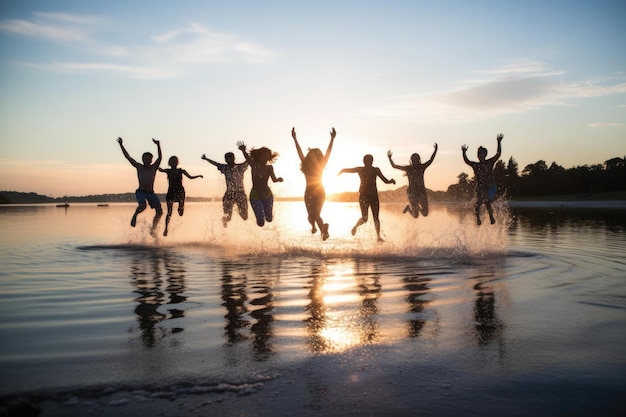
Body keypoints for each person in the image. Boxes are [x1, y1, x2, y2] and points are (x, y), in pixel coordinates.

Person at [291, 127, 336, 240]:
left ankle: (320, 230)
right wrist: (295, 139)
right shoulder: (315, 164)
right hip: (319, 191)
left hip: (312, 191)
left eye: (311, 153)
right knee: (314, 216)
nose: (309, 154)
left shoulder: (310, 164)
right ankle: (318, 229)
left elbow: (328, 152)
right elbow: (299, 151)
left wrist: (332, 139)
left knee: (313, 215)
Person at [338, 154, 396, 242]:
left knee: (375, 217)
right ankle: (356, 227)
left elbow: (385, 180)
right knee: (365, 218)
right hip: (364, 196)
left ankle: (378, 237)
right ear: (365, 161)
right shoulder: (361, 169)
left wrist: (390, 181)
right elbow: (348, 170)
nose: (367, 162)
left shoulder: (374, 170)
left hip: (372, 196)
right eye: (367, 161)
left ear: (371, 161)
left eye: (368, 161)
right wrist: (341, 171)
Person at [117, 137, 163, 237]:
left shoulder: (153, 167)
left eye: (148, 159)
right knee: (143, 206)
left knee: (160, 212)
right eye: (144, 159)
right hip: (141, 192)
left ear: (151, 160)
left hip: (151, 193)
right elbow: (128, 157)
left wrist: (158, 145)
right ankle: (135, 215)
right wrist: (121, 145)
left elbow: (160, 158)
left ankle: (153, 229)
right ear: (142, 159)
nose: (146, 160)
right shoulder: (139, 167)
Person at [236, 141, 283, 227]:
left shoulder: (269, 167)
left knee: (269, 219)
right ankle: (259, 216)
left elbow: (274, 179)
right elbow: (248, 158)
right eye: (264, 155)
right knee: (261, 223)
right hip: (255, 195)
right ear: (260, 156)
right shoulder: (254, 165)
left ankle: (267, 213)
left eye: (267, 155)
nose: (266, 157)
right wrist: (243, 150)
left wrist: (278, 179)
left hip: (267, 194)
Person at [462, 133, 504, 225]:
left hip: (491, 187)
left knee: (485, 199)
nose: (480, 155)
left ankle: (491, 216)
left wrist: (498, 142)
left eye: (482, 153)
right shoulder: (475, 165)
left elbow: (498, 154)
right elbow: (466, 161)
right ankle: (478, 218)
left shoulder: (490, 162)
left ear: (485, 154)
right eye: (479, 153)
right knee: (477, 204)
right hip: (481, 187)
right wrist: (464, 152)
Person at [387, 143, 438, 219]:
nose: (415, 161)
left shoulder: (422, 167)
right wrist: (389, 158)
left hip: (421, 191)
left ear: (419, 160)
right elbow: (394, 166)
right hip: (412, 192)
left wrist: (435, 150)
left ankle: (416, 207)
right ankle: (409, 208)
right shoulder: (408, 169)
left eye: (416, 159)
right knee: (416, 215)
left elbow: (431, 160)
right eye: (414, 160)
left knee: (425, 213)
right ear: (411, 160)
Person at [158, 156, 203, 236]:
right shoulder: (168, 171)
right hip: (171, 192)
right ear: (169, 163)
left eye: (175, 161)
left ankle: (181, 207)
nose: (174, 163)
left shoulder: (181, 171)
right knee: (169, 212)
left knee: (180, 213)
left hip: (180, 192)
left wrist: (198, 176)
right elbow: (160, 169)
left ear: (177, 162)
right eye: (172, 161)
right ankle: (166, 229)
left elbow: (190, 177)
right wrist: (154, 165)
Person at [202, 152, 249, 227]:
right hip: (229, 195)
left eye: (231, 158)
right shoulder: (225, 168)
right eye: (227, 158)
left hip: (240, 194)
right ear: (225, 160)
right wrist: (206, 159)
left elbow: (249, 161)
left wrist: (245, 151)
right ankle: (224, 219)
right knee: (228, 217)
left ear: (234, 158)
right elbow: (215, 163)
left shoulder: (240, 167)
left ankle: (238, 210)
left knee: (245, 217)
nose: (229, 160)